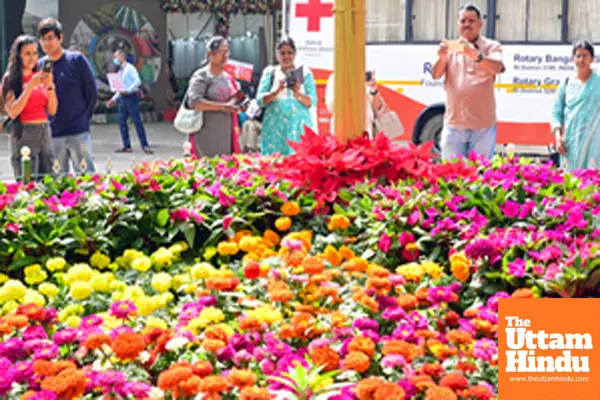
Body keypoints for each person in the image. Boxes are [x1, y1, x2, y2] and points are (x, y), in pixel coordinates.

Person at [431, 3, 505, 161]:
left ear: (480, 24)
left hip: (482, 126)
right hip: (454, 124)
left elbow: (498, 67)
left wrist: (475, 54)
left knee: (479, 175)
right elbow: (436, 74)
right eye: (463, 21)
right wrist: (442, 57)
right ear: (458, 24)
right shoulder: (451, 48)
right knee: (452, 176)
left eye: (471, 21)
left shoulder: (491, 46)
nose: (467, 25)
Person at [38, 18, 98, 174]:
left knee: (86, 178)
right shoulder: (40, 66)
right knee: (58, 181)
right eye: (43, 39)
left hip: (78, 131)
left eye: (50, 38)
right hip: (53, 133)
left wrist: (83, 118)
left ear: (60, 38)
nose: (46, 43)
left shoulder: (76, 60)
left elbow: (91, 92)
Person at [2, 35, 57, 179]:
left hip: (44, 130)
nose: (32, 58)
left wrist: (50, 86)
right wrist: (30, 86)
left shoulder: (40, 76)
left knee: (48, 181)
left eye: (35, 53)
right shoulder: (11, 79)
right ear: (18, 56)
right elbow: (12, 111)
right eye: (27, 53)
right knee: (28, 181)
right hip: (24, 133)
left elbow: (52, 110)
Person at [256, 36, 317, 156]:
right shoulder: (270, 72)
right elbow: (260, 100)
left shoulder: (305, 73)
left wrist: (297, 94)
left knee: (298, 160)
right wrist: (276, 91)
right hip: (275, 125)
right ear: (277, 55)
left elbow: (313, 101)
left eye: (290, 53)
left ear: (295, 54)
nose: (286, 57)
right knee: (275, 160)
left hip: (298, 124)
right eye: (282, 53)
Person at [185, 36, 244, 157]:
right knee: (207, 166)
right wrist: (222, 107)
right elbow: (195, 102)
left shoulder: (228, 77)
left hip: (226, 131)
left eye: (227, 51)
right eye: (221, 51)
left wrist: (240, 104)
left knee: (225, 166)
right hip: (206, 130)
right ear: (210, 53)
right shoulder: (202, 75)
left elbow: (235, 99)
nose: (225, 55)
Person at [552, 41, 600, 170]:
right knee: (572, 183)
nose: (581, 60)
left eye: (585, 55)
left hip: (595, 143)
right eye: (578, 56)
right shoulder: (567, 83)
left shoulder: (598, 82)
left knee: (593, 183)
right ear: (573, 59)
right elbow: (556, 112)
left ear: (592, 59)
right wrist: (558, 139)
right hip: (571, 143)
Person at [106, 50, 153, 154]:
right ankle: (127, 146)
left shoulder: (130, 68)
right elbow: (120, 88)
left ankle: (145, 145)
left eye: (116, 57)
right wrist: (113, 99)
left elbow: (137, 82)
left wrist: (128, 90)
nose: (115, 59)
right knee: (122, 122)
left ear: (122, 57)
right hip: (123, 98)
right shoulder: (120, 71)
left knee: (137, 121)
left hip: (131, 97)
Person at [325, 70, 386, 138]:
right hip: (343, 130)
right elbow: (331, 106)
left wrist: (373, 89)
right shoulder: (335, 78)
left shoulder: (364, 77)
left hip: (365, 131)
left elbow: (377, 107)